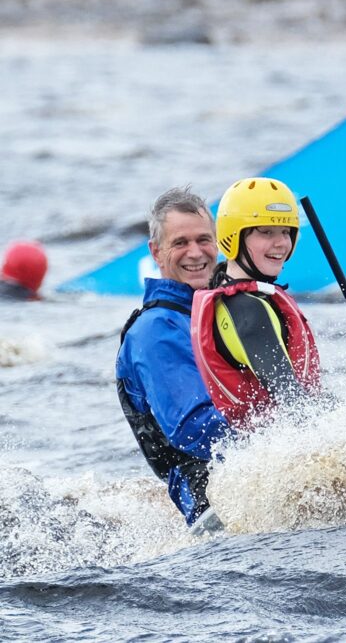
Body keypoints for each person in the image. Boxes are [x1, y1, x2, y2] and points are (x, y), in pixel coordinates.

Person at [115, 187, 231, 532]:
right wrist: (290, 438)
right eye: (180, 242)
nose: (195, 253)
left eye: (203, 240)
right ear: (156, 251)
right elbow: (195, 430)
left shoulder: (226, 310)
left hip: (250, 484)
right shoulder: (156, 330)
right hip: (214, 508)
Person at [191, 177, 322, 429]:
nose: (281, 243)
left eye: (286, 232)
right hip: (283, 450)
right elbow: (295, 406)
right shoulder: (247, 310)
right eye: (266, 232)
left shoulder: (243, 296)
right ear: (234, 236)